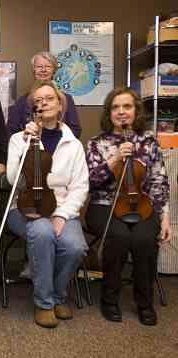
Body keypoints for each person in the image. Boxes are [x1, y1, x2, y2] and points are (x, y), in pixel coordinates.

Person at [85, 87, 171, 326]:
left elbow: (159, 181)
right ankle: (109, 299)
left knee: (144, 239)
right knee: (119, 237)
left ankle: (145, 302)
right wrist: (114, 160)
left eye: (127, 107)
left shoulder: (149, 141)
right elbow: (90, 181)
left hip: (142, 204)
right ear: (109, 112)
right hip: (105, 204)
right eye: (115, 107)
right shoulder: (97, 143)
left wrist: (164, 217)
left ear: (136, 111)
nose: (121, 112)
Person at [6, 80, 88, 328]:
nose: (43, 103)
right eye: (38, 101)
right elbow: (13, 181)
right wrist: (27, 147)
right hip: (24, 207)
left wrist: (62, 215)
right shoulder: (18, 139)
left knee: (75, 247)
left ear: (60, 104)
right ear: (32, 109)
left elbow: (80, 186)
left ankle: (57, 295)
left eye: (49, 98)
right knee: (42, 233)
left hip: (61, 207)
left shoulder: (73, 144)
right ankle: (45, 303)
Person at [8, 51, 81, 139]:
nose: (43, 70)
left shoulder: (65, 98)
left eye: (48, 66)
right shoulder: (22, 101)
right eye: (39, 67)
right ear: (33, 70)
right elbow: (11, 131)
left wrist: (57, 143)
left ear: (54, 70)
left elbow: (75, 130)